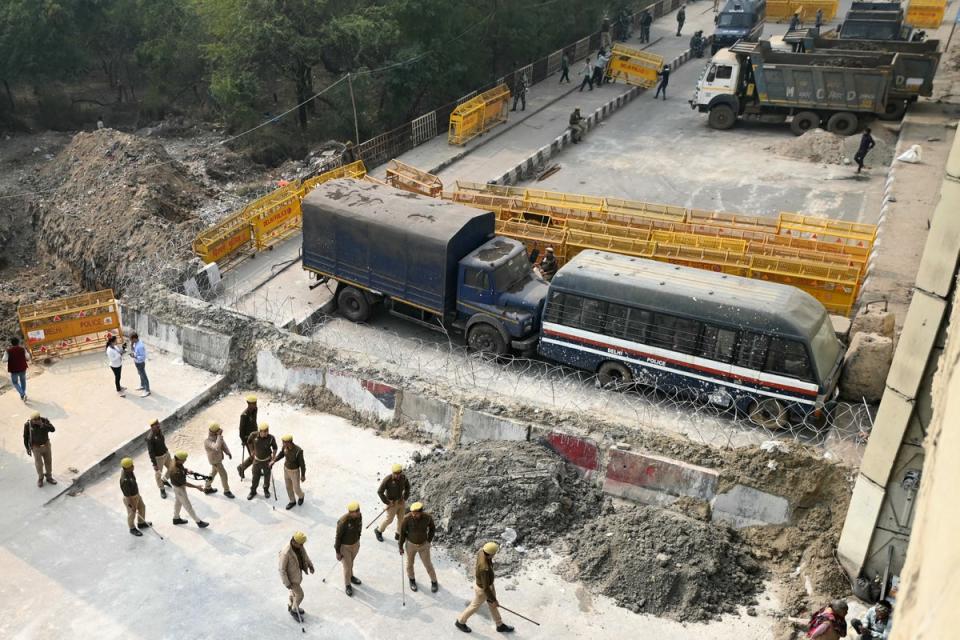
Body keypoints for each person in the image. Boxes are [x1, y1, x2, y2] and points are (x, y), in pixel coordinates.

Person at [455, 542, 514, 634]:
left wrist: (493, 599)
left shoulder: (481, 552)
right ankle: (460, 622)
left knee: (492, 606)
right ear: (490, 554)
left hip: (486, 585)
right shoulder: (484, 568)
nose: (495, 555)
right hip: (483, 590)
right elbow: (486, 588)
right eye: (494, 553)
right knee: (474, 606)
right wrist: (494, 600)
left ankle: (499, 625)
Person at [399, 501, 438, 593]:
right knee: (409, 564)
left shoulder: (427, 518)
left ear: (420, 512)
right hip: (410, 545)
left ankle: (434, 581)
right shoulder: (406, 519)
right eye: (412, 512)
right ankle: (411, 580)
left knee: (428, 565)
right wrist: (400, 546)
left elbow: (432, 528)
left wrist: (429, 541)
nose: (413, 514)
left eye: (415, 513)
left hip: (423, 545)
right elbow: (402, 533)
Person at [279, 531, 314, 620]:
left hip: (297, 574)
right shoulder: (286, 552)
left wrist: (310, 565)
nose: (302, 546)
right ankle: (294, 610)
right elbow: (282, 569)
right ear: (294, 542)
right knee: (300, 595)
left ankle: (291, 605)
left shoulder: (299, 546)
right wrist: (287, 583)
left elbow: (305, 556)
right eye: (300, 544)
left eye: (302, 544)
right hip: (291, 578)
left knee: (293, 593)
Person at [169, 451, 209, 528]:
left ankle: (176, 518)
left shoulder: (175, 462)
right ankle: (198, 522)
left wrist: (187, 470)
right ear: (179, 460)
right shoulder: (176, 471)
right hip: (179, 489)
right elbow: (185, 483)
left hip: (177, 487)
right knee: (188, 506)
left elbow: (182, 469)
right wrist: (197, 487)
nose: (185, 460)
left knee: (178, 502)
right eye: (184, 459)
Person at [374, 463, 411, 542]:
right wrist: (388, 502)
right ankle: (379, 531)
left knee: (401, 519)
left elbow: (408, 487)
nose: (398, 475)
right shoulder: (387, 480)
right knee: (389, 520)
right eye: (396, 473)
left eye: (399, 473)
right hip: (392, 504)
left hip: (401, 502)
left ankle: (398, 534)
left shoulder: (403, 478)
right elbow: (380, 492)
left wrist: (404, 498)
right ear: (392, 472)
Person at [335, 501, 363, 596]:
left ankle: (351, 577)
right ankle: (347, 585)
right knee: (347, 567)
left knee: (351, 563)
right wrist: (338, 552)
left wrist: (358, 538)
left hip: (355, 544)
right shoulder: (343, 522)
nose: (358, 512)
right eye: (356, 511)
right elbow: (338, 538)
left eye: (359, 509)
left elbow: (360, 527)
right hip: (345, 547)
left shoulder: (359, 516)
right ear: (350, 512)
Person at [119, 457, 151, 537]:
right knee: (132, 513)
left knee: (142, 507)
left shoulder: (130, 472)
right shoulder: (125, 480)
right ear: (126, 468)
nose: (133, 466)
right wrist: (132, 505)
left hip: (136, 495)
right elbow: (128, 496)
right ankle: (132, 528)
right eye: (131, 466)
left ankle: (141, 523)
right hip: (130, 498)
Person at [273, 434, 306, 510]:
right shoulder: (285, 447)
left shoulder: (298, 451)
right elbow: (281, 454)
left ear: (289, 442)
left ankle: (301, 496)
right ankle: (292, 501)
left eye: (284, 442)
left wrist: (303, 475)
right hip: (286, 470)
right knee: (288, 487)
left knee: (296, 488)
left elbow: (302, 464)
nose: (283, 444)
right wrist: (274, 461)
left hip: (295, 472)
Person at [23, 412, 56, 488]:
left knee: (48, 461)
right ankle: (40, 478)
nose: (36, 421)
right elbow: (25, 437)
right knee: (39, 464)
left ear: (39, 417)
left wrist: (43, 425)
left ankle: (49, 477)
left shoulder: (44, 421)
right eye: (34, 420)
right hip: (36, 447)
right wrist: (27, 448)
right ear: (32, 420)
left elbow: (53, 429)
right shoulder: (28, 425)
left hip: (46, 445)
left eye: (38, 419)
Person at [247, 422, 278, 500]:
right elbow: (249, 442)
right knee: (255, 477)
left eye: (267, 431)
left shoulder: (271, 438)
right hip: (256, 461)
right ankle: (253, 491)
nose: (266, 433)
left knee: (267, 477)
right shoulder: (253, 435)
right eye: (264, 431)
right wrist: (251, 451)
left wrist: (273, 458)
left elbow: (275, 448)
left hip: (267, 461)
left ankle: (266, 490)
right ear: (260, 431)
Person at [203, 423, 234, 498]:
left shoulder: (218, 437)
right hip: (215, 461)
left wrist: (228, 452)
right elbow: (216, 447)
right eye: (218, 430)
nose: (220, 430)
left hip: (218, 460)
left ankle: (207, 488)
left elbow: (223, 445)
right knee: (224, 475)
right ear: (215, 431)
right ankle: (226, 491)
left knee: (213, 473)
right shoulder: (207, 441)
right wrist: (219, 436)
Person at [146, 418, 172, 499]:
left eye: (158, 424)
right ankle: (162, 489)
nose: (158, 426)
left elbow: (162, 442)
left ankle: (164, 479)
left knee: (172, 468)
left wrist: (166, 450)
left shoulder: (159, 431)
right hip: (158, 459)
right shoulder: (150, 438)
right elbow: (151, 452)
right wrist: (154, 464)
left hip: (166, 454)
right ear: (152, 427)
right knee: (158, 475)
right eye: (156, 425)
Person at [237, 395, 258, 479]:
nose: (255, 405)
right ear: (248, 404)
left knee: (256, 455)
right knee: (254, 456)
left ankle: (242, 467)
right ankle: (242, 468)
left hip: (256, 435)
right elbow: (241, 430)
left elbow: (254, 421)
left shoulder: (255, 409)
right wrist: (243, 440)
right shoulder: (244, 415)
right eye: (253, 403)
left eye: (255, 403)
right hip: (248, 439)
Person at [4, 337, 30, 402]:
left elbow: (4, 360)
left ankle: (22, 394)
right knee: (23, 381)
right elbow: (28, 357)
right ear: (18, 342)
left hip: (14, 370)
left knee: (15, 382)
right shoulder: (22, 349)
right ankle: (23, 395)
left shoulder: (8, 351)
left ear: (11, 343)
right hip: (22, 368)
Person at [129, 332, 150, 397]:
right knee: (140, 374)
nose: (131, 341)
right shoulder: (135, 343)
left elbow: (142, 357)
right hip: (136, 362)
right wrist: (131, 345)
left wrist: (134, 356)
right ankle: (142, 385)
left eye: (131, 340)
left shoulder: (140, 346)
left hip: (140, 363)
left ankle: (147, 390)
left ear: (134, 338)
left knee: (143, 375)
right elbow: (133, 350)